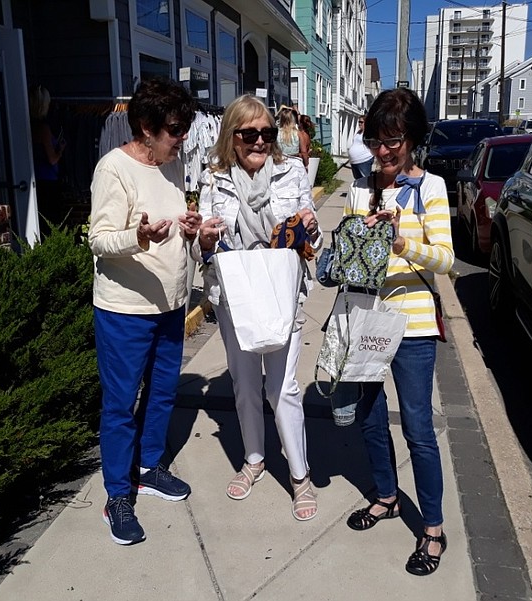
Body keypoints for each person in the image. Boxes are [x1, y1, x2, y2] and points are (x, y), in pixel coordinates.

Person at [195, 94, 323, 521]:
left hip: (283, 296)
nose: (259, 142)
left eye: (266, 133)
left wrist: (311, 229)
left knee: (281, 388)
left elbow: (313, 245)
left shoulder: (292, 173)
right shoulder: (214, 179)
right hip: (237, 299)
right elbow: (203, 250)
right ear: (232, 137)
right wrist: (206, 240)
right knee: (246, 386)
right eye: (249, 134)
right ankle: (254, 458)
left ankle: (300, 475)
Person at [342, 88, 454, 576]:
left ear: (411, 140)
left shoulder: (431, 188)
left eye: (393, 141)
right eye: (375, 140)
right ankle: (386, 497)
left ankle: (432, 529)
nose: (383, 151)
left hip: (412, 322)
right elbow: (351, 258)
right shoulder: (359, 186)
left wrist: (402, 240)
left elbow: (446, 261)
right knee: (369, 417)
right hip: (366, 315)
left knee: (417, 427)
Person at [89, 78, 202, 545]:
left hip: (171, 305)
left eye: (184, 129)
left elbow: (174, 229)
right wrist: (139, 239)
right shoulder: (113, 169)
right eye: (174, 130)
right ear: (145, 126)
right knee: (120, 406)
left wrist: (193, 230)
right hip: (125, 311)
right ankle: (117, 495)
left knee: (161, 394)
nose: (181, 139)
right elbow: (98, 240)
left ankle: (150, 467)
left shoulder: (170, 166)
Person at [29, 85, 66, 237]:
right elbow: (52, 159)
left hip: (36, 180)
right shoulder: (43, 128)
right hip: (49, 181)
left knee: (42, 220)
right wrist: (61, 149)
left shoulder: (28, 126)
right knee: (52, 223)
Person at [347, 114, 374, 180]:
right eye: (359, 122)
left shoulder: (369, 133)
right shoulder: (358, 132)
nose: (359, 124)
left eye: (361, 122)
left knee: (366, 181)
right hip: (355, 162)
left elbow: (373, 145)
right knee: (358, 182)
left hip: (364, 160)